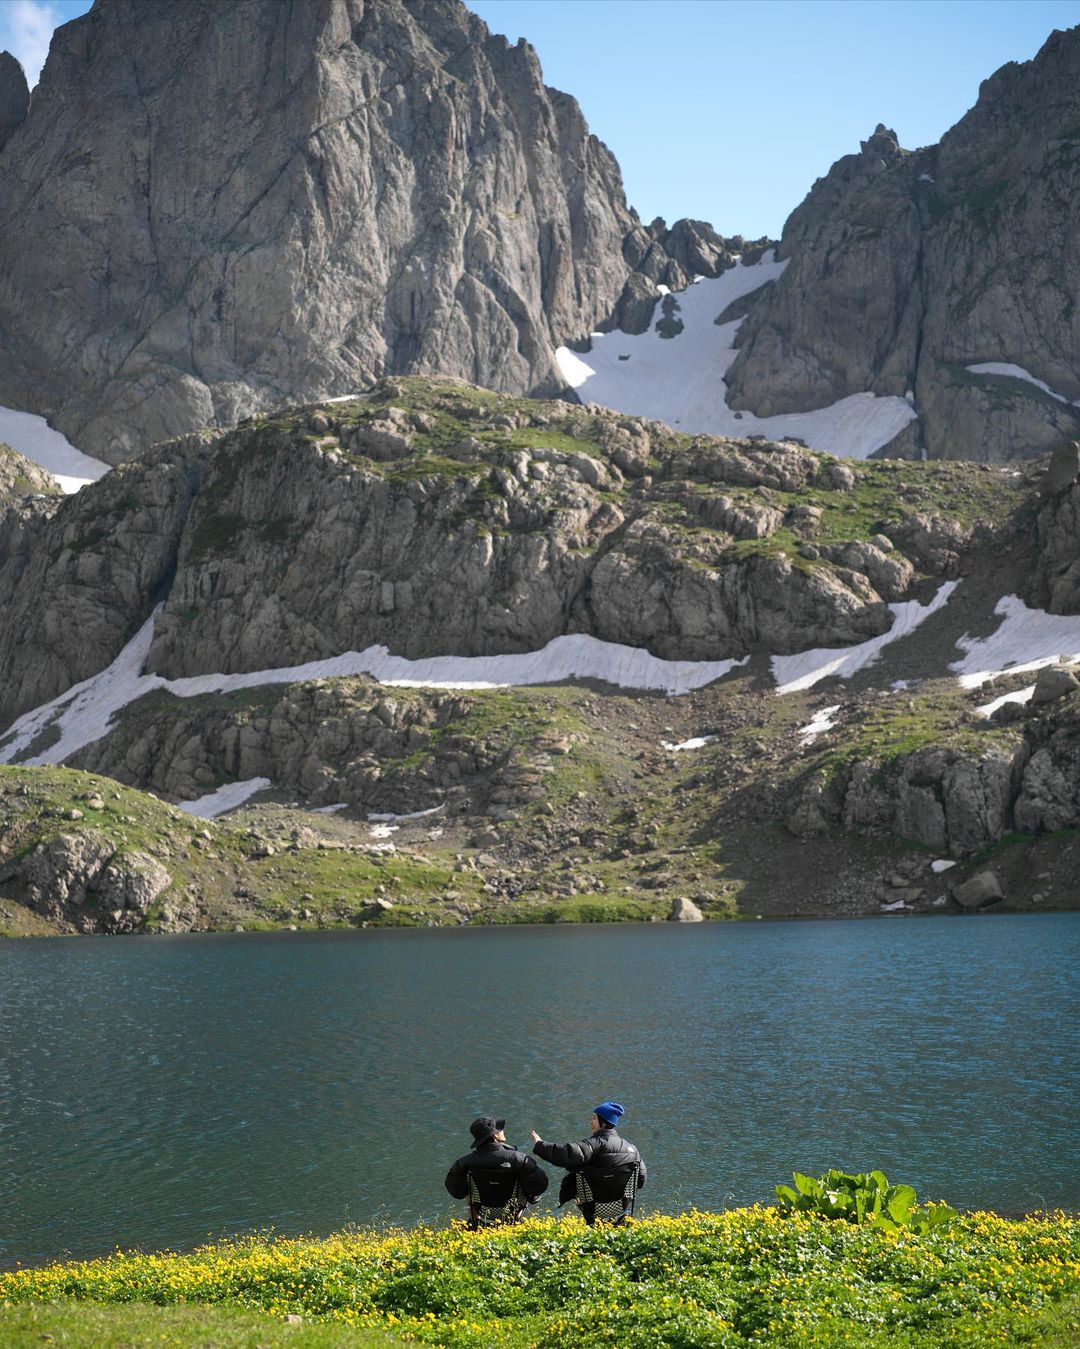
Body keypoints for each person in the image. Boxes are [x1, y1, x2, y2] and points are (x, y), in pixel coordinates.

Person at [530, 1100, 646, 1225]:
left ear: (604, 1123)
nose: (591, 1122)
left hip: (592, 1206)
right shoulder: (632, 1150)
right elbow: (641, 1180)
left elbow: (566, 1154)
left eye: (594, 1118)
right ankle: (614, 1224)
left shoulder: (593, 1145)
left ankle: (594, 1224)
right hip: (620, 1205)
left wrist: (540, 1145)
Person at [444, 1115, 548, 1229]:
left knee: (467, 1182)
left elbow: (456, 1192)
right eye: (499, 1129)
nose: (502, 1130)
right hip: (513, 1210)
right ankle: (515, 1221)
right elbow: (540, 1185)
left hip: (482, 1210)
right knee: (525, 1177)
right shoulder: (519, 1159)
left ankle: (474, 1222)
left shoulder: (464, 1163)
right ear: (494, 1135)